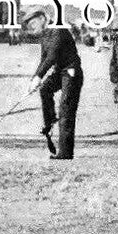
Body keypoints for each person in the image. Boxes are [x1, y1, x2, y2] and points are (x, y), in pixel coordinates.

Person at [24, 9, 83, 160]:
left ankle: (65, 152)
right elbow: (43, 58)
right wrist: (33, 81)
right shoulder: (45, 35)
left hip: (71, 71)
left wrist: (38, 77)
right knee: (45, 89)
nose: (32, 28)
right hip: (60, 71)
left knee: (66, 108)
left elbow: (52, 56)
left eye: (33, 23)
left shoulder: (58, 29)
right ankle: (49, 123)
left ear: (42, 18)